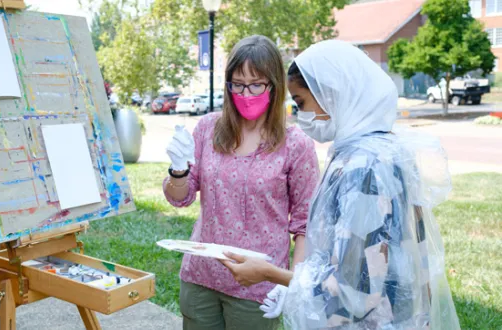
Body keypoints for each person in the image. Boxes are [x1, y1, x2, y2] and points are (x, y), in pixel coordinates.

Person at [221, 40, 461, 329]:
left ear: (332, 95)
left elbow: (354, 289)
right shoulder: (382, 150)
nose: (301, 115)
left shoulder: (363, 167)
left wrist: (272, 275)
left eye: (301, 103)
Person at [162, 35, 320, 330]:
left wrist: (290, 283)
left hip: (258, 284)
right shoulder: (209, 128)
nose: (246, 92)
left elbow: (305, 224)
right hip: (201, 278)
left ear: (274, 86)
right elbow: (180, 199)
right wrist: (178, 170)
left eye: (256, 84)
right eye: (238, 83)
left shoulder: (296, 144)